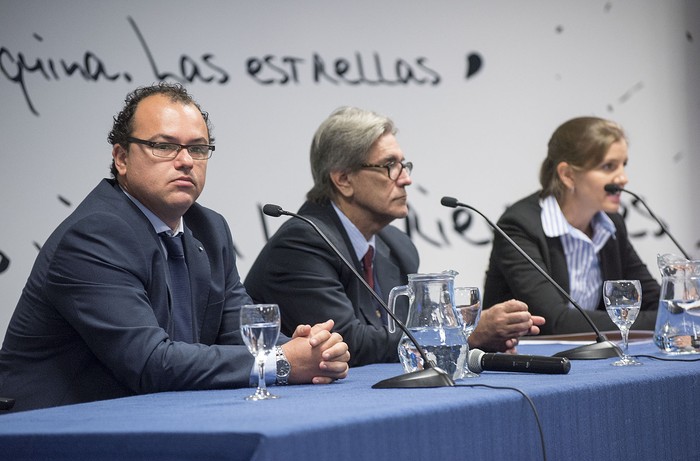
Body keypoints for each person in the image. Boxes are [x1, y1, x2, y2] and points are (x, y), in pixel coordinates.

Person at [0, 83, 349, 413]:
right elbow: (150, 363)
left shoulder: (209, 229)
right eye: (164, 146)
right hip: (55, 431)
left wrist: (309, 351)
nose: (186, 161)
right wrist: (283, 361)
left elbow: (238, 333)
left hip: (152, 421)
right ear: (121, 158)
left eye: (198, 148)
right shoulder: (94, 235)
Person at [244, 106, 544, 367]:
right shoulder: (302, 242)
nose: (406, 178)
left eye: (403, 165)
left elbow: (401, 334)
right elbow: (349, 341)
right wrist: (466, 333)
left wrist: (476, 339)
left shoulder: (397, 247)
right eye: (389, 166)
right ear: (343, 179)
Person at [483, 116, 660, 334]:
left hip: (592, 358)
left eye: (623, 165)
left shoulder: (610, 225)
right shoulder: (519, 226)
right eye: (608, 166)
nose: (623, 178)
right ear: (567, 175)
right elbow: (555, 321)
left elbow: (654, 301)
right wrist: (659, 321)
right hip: (529, 360)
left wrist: (677, 312)